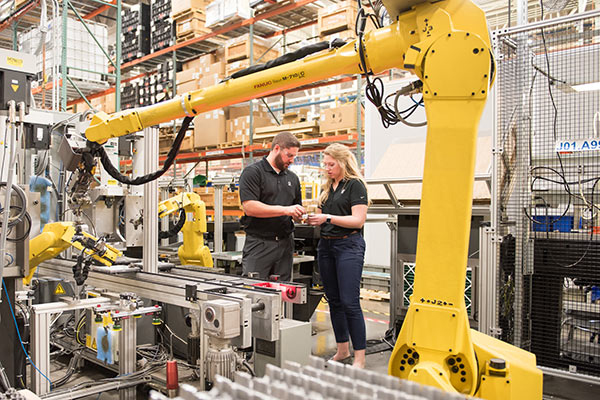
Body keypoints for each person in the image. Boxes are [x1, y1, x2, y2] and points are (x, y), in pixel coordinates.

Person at [307, 143, 369, 368]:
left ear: (343, 162)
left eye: (331, 164)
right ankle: (342, 350)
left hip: (348, 246)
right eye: (325, 165)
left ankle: (360, 356)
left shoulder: (355, 186)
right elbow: (321, 216)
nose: (327, 168)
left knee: (349, 302)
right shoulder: (327, 188)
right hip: (327, 247)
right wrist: (312, 218)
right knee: (333, 301)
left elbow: (357, 220)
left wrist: (328, 218)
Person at [239, 131, 306, 281]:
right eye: (289, 155)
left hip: (285, 244)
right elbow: (250, 207)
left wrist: (301, 215)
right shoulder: (253, 173)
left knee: (283, 293)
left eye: (295, 156)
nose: (292, 160)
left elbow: (295, 208)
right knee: (254, 290)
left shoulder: (292, 178)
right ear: (276, 149)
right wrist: (285, 210)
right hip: (259, 244)